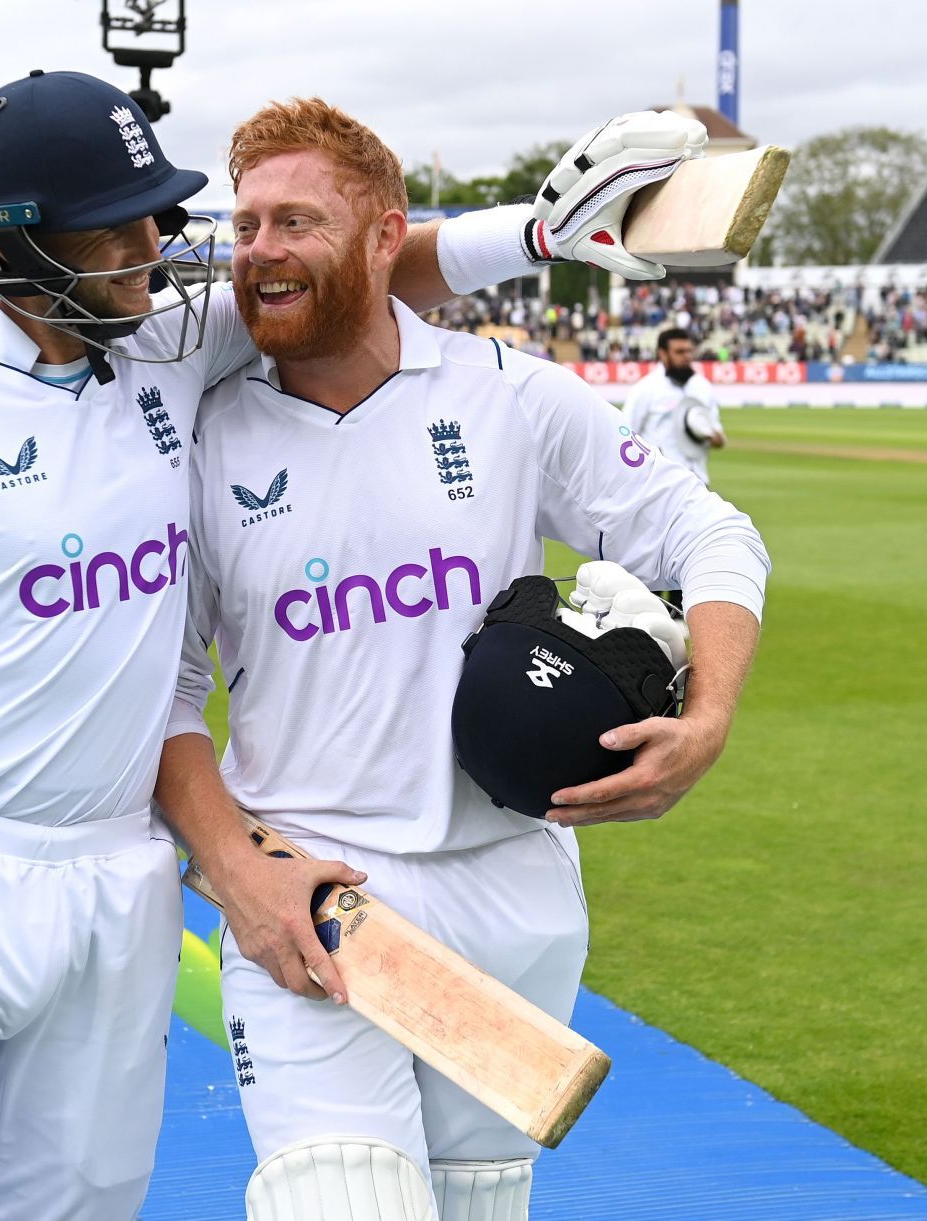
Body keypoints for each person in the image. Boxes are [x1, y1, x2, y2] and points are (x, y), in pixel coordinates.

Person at [0, 70, 696, 1221]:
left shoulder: (163, 344)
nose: (158, 249)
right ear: (18, 247)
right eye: (121, 228)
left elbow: (337, 264)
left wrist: (538, 235)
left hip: (119, 883)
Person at [153, 100, 767, 1221]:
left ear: (390, 236)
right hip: (316, 893)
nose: (259, 252)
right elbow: (165, 696)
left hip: (515, 896)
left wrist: (710, 713)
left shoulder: (508, 394)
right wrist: (240, 872)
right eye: (244, 227)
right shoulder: (197, 437)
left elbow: (713, 535)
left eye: (297, 221)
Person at [621, 326, 725, 484]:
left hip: (698, 482)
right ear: (662, 354)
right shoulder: (645, 389)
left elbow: (717, 433)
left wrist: (712, 435)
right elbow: (626, 436)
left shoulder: (702, 386)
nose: (687, 357)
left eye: (689, 351)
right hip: (660, 486)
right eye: (679, 352)